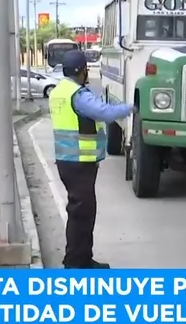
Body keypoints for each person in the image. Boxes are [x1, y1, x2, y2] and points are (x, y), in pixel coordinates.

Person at [48, 50, 133, 269]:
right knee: (81, 215)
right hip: (78, 162)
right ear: (81, 70)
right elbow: (103, 112)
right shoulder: (78, 94)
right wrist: (129, 108)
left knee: (81, 213)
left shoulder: (59, 91)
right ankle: (77, 263)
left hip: (67, 160)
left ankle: (82, 259)